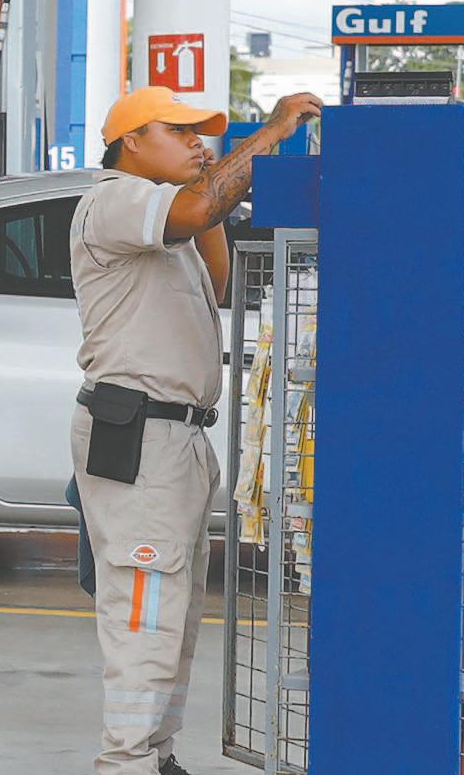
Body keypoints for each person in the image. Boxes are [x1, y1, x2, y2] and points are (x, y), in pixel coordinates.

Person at [70, 85, 322, 775]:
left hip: (176, 437)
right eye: (177, 131)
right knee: (145, 605)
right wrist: (270, 135)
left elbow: (217, 273)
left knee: (172, 609)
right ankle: (125, 763)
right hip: (140, 433)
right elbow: (197, 209)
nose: (195, 143)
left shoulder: (163, 219)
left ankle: (156, 753)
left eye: (198, 134)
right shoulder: (116, 199)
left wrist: (209, 185)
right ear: (130, 141)